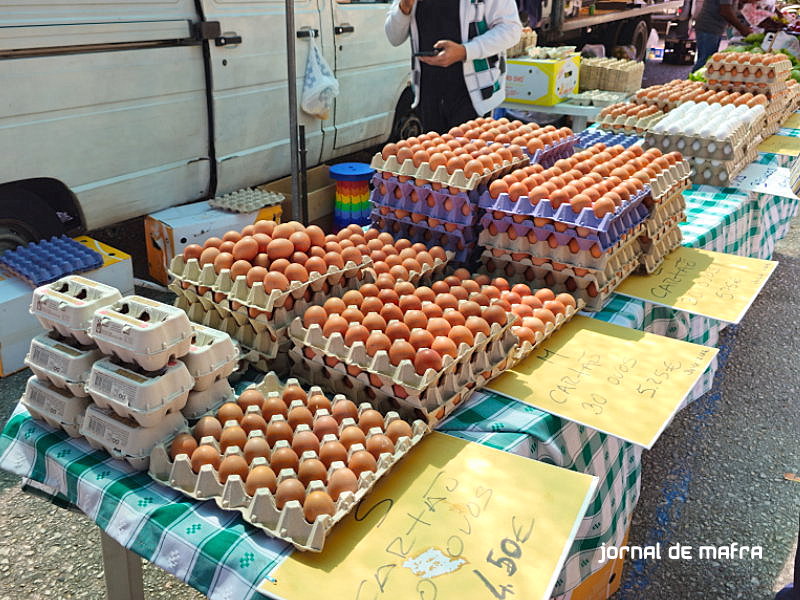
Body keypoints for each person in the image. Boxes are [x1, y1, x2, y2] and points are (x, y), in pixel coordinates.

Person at [385, 0, 522, 133]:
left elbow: (511, 29)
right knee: (435, 153)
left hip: (474, 94)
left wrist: (465, 51)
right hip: (428, 92)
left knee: (471, 153)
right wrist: (405, 6)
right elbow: (394, 37)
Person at [692, 0, 754, 71]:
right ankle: (692, 81)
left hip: (714, 28)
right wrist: (742, 28)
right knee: (705, 61)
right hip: (709, 27)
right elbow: (725, 11)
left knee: (708, 59)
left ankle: (695, 80)